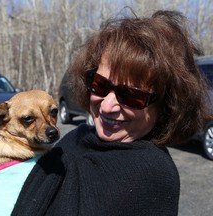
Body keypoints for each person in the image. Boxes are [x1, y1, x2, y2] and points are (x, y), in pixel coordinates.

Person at [11, 10, 211, 216]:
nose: (107, 106)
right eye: (100, 85)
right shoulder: (77, 138)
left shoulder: (151, 173)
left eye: (132, 95)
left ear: (166, 105)